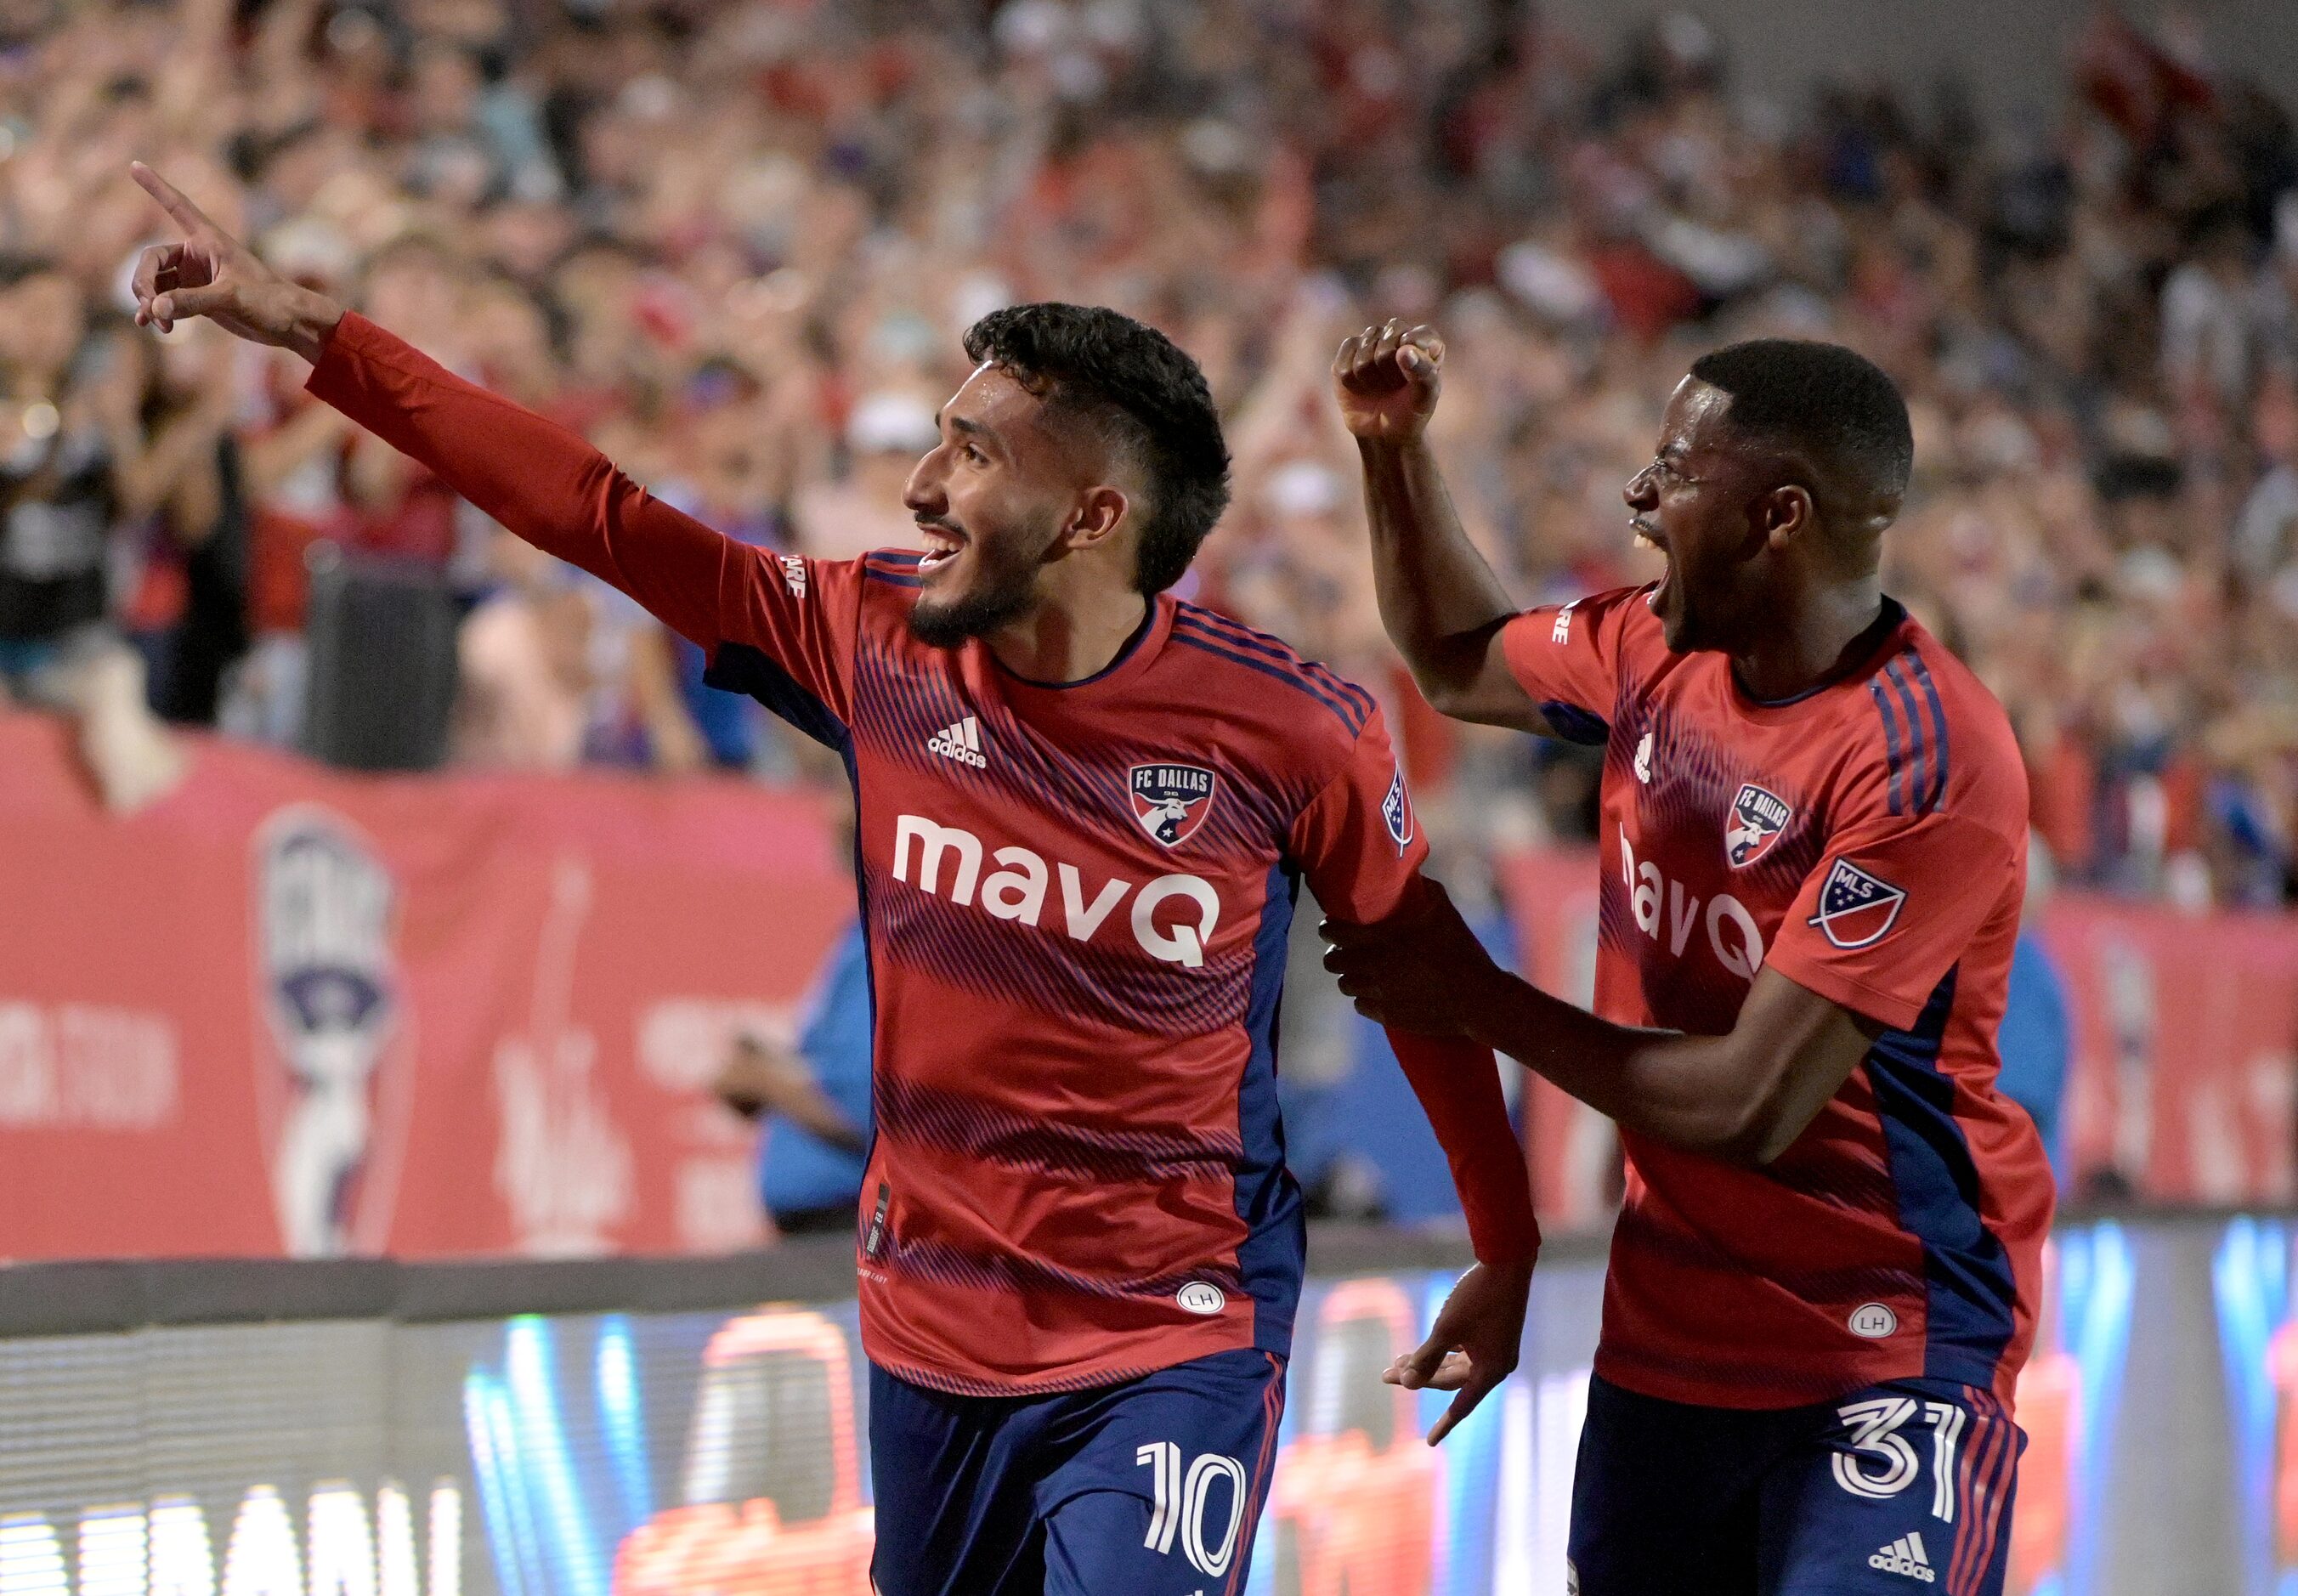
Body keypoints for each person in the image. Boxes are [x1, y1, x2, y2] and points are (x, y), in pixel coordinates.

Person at [128, 163, 1540, 1596]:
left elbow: (1427, 989)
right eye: (939, 438)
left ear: (1092, 518)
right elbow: (592, 513)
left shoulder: (1291, 725)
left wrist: (1505, 1235)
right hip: (927, 1321)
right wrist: (322, 336)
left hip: (1170, 1330)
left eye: (976, 456)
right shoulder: (870, 638)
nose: (923, 487)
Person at [1326, 321, 2055, 1595]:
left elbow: (1749, 1103)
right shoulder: (1650, 652)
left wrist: (1481, 999)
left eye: (1673, 467)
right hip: (1669, 1341)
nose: (1637, 494)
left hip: (1883, 1343)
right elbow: (1453, 655)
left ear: (1780, 513)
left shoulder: (1926, 756)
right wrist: (1393, 453)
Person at [713, 916, 875, 1237]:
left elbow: (867, 1111)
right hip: (819, 1232)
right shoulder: (859, 932)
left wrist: (766, 1081)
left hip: (847, 1224)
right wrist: (773, 1067)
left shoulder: (884, 936)